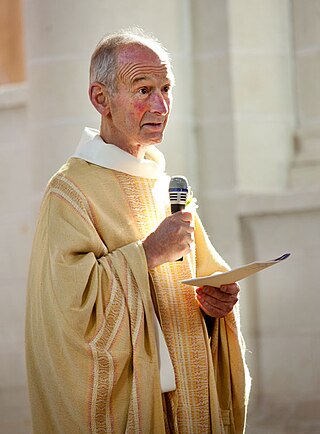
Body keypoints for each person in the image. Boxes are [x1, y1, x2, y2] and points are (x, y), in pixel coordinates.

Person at [25, 28, 250, 434]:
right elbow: (67, 310)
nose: (161, 105)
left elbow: (198, 275)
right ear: (100, 99)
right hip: (134, 407)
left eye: (166, 88)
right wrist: (146, 255)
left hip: (188, 397)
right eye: (144, 89)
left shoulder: (165, 186)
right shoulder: (70, 191)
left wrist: (216, 300)